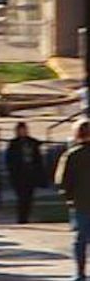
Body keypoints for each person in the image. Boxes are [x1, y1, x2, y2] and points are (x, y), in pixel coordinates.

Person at [58, 119, 90, 280]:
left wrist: (68, 196)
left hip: (81, 203)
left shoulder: (72, 155)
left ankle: (80, 272)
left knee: (80, 240)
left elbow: (62, 180)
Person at [7, 122, 46, 224]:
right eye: (20, 130)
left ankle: (26, 216)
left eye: (24, 130)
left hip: (30, 174)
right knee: (21, 197)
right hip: (19, 175)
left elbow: (38, 159)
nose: (22, 132)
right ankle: (21, 218)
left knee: (29, 197)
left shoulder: (32, 142)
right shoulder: (13, 144)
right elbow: (10, 160)